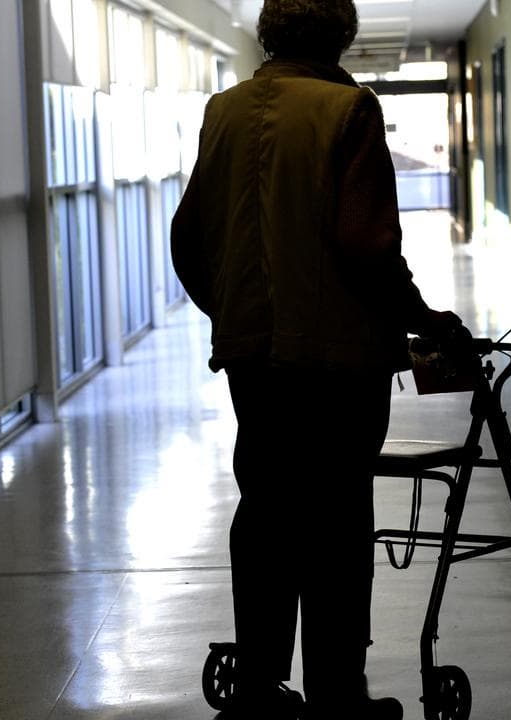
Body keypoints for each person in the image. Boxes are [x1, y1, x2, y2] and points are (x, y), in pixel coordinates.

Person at [171, 1, 469, 717]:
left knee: (267, 508)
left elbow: (187, 239)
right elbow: (366, 247)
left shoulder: (225, 111)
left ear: (270, 33)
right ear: (342, 34)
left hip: (254, 359)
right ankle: (337, 694)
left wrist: (239, 312)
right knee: (336, 519)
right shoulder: (348, 110)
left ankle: (259, 687)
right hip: (339, 366)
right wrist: (427, 322)